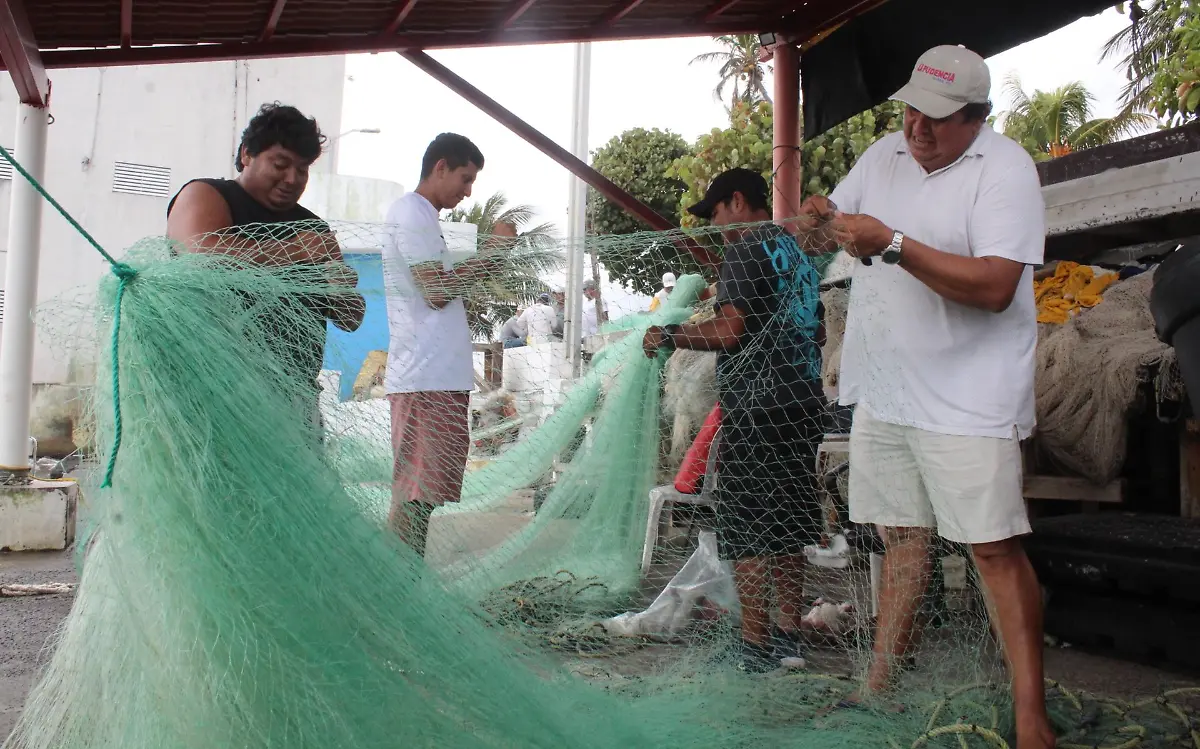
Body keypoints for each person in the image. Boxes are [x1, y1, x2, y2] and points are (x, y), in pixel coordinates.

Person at [801, 45, 1053, 749]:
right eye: (910, 110)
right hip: (887, 388)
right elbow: (821, 223)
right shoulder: (883, 156)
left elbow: (997, 286)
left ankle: (1032, 714)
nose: (917, 128)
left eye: (937, 118)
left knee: (993, 549)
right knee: (900, 538)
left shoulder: (1004, 170)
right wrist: (819, 215)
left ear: (979, 118)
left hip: (969, 397)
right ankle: (881, 683)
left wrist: (895, 243)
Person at [642, 168, 825, 673]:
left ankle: (753, 645)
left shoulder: (746, 250)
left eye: (718, 213)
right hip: (803, 405)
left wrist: (672, 334)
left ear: (738, 202)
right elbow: (819, 331)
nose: (719, 226)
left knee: (749, 529)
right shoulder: (801, 258)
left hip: (758, 411)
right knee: (790, 525)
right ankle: (789, 640)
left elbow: (729, 330)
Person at [166, 102, 365, 424]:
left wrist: (340, 288)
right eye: (280, 164)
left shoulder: (313, 228)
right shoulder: (208, 194)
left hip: (294, 401)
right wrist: (295, 251)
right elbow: (200, 257)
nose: (292, 178)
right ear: (247, 154)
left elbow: (351, 318)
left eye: (302, 170)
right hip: (212, 398)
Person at [383, 132, 500, 557]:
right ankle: (395, 592)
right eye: (465, 179)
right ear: (440, 167)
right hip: (423, 380)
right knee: (415, 497)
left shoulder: (425, 218)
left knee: (425, 497)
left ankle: (401, 589)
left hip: (438, 380)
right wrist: (495, 254)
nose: (467, 192)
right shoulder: (410, 213)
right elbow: (435, 290)